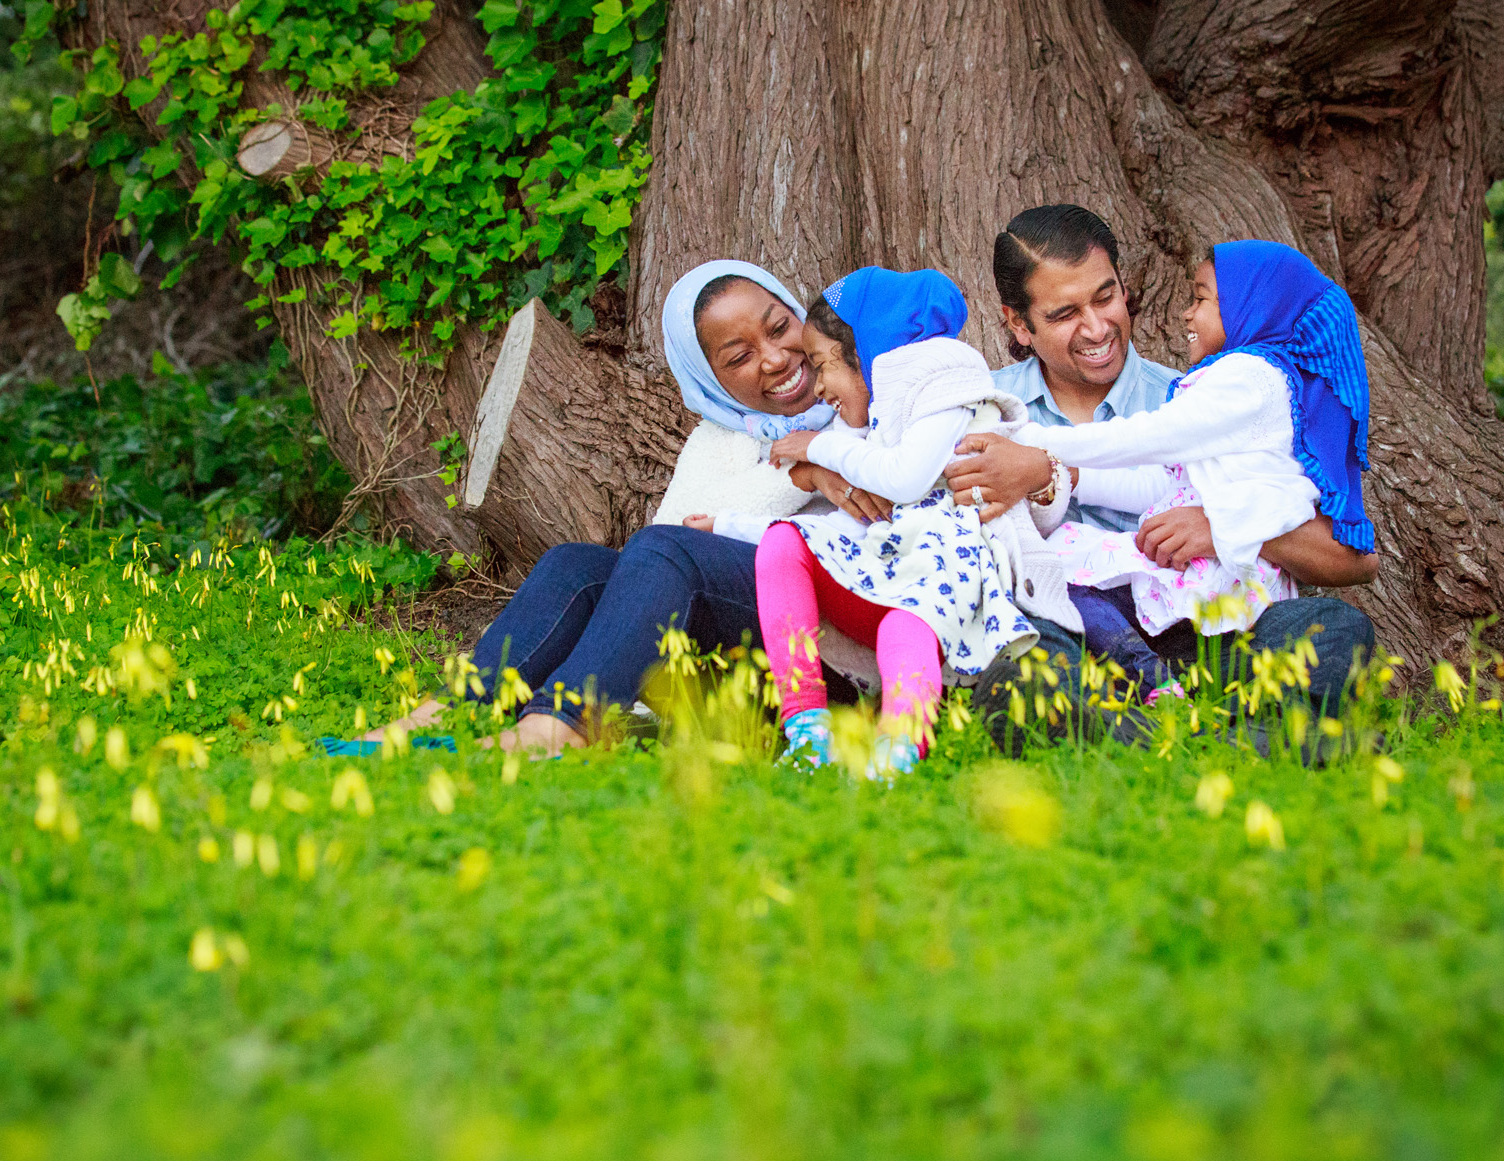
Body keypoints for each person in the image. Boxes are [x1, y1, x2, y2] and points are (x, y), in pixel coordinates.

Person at [356, 259, 889, 755]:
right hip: (735, 676)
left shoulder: (869, 391)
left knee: (665, 552)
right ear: (711, 379)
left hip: (836, 679)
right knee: (579, 565)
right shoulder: (722, 439)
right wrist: (803, 474)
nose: (775, 359)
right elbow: (672, 552)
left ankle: (560, 727)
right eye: (739, 357)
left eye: (778, 329)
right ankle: (454, 711)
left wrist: (826, 450)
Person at [944, 205, 1379, 719]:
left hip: (1205, 640)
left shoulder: (1203, 401)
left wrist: (1224, 526)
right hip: (1072, 643)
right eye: (1064, 315)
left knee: (1334, 630)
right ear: (1018, 324)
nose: (1095, 328)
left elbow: (1357, 558)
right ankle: (1175, 736)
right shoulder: (984, 413)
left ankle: (1165, 732)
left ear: (1125, 289)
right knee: (1019, 665)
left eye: (1105, 298)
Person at [735, 268, 1081, 775]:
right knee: (785, 543)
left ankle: (898, 751)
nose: (820, 385)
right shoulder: (879, 419)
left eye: (823, 364)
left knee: (909, 619)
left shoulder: (944, 391)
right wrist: (728, 523)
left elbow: (905, 480)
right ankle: (807, 728)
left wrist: (818, 448)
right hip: (898, 566)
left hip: (956, 579)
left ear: (866, 350)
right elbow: (846, 523)